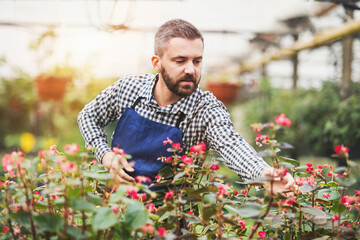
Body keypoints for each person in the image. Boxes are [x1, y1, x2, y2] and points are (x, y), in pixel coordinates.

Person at [78, 19, 294, 195]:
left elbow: (232, 145)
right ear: (157, 63)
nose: (190, 69)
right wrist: (106, 156)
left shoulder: (206, 110)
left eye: (197, 61)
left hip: (171, 219)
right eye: (180, 60)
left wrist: (265, 173)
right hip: (117, 207)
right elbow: (88, 116)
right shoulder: (129, 89)